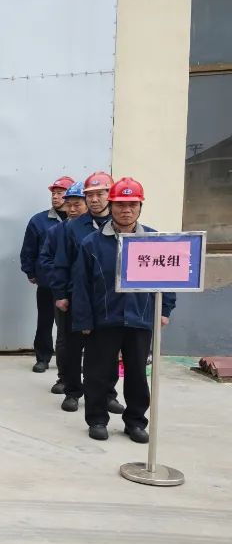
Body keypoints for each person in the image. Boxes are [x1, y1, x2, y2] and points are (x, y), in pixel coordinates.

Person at [72, 178, 174, 442]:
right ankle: (97, 419)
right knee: (97, 373)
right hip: (104, 320)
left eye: (132, 205)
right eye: (120, 205)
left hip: (140, 319)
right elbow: (81, 285)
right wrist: (84, 320)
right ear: (111, 206)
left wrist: (165, 310)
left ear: (140, 207)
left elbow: (168, 278)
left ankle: (135, 422)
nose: (126, 210)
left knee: (138, 374)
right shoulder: (92, 243)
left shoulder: (153, 241)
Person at [52, 171, 125, 415]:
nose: (94, 199)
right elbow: (61, 261)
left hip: (108, 299)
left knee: (108, 350)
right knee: (72, 348)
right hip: (77, 296)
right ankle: (73, 391)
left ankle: (108, 394)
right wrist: (61, 294)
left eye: (100, 194)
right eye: (90, 195)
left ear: (110, 195)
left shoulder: (120, 225)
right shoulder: (73, 227)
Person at [37, 181, 86, 396]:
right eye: (69, 205)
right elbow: (46, 259)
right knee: (65, 338)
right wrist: (59, 284)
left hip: (93, 294)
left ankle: (101, 388)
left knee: (98, 342)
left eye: (77, 205)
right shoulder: (57, 231)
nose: (72, 209)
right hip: (65, 292)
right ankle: (65, 379)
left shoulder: (98, 230)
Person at [20, 176, 73, 373]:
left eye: (60, 193)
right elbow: (29, 249)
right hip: (47, 281)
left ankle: (69, 362)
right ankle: (42, 357)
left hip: (72, 284)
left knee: (69, 325)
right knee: (45, 320)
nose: (55, 197)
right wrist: (30, 271)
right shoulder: (39, 220)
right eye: (53, 193)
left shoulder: (81, 221)